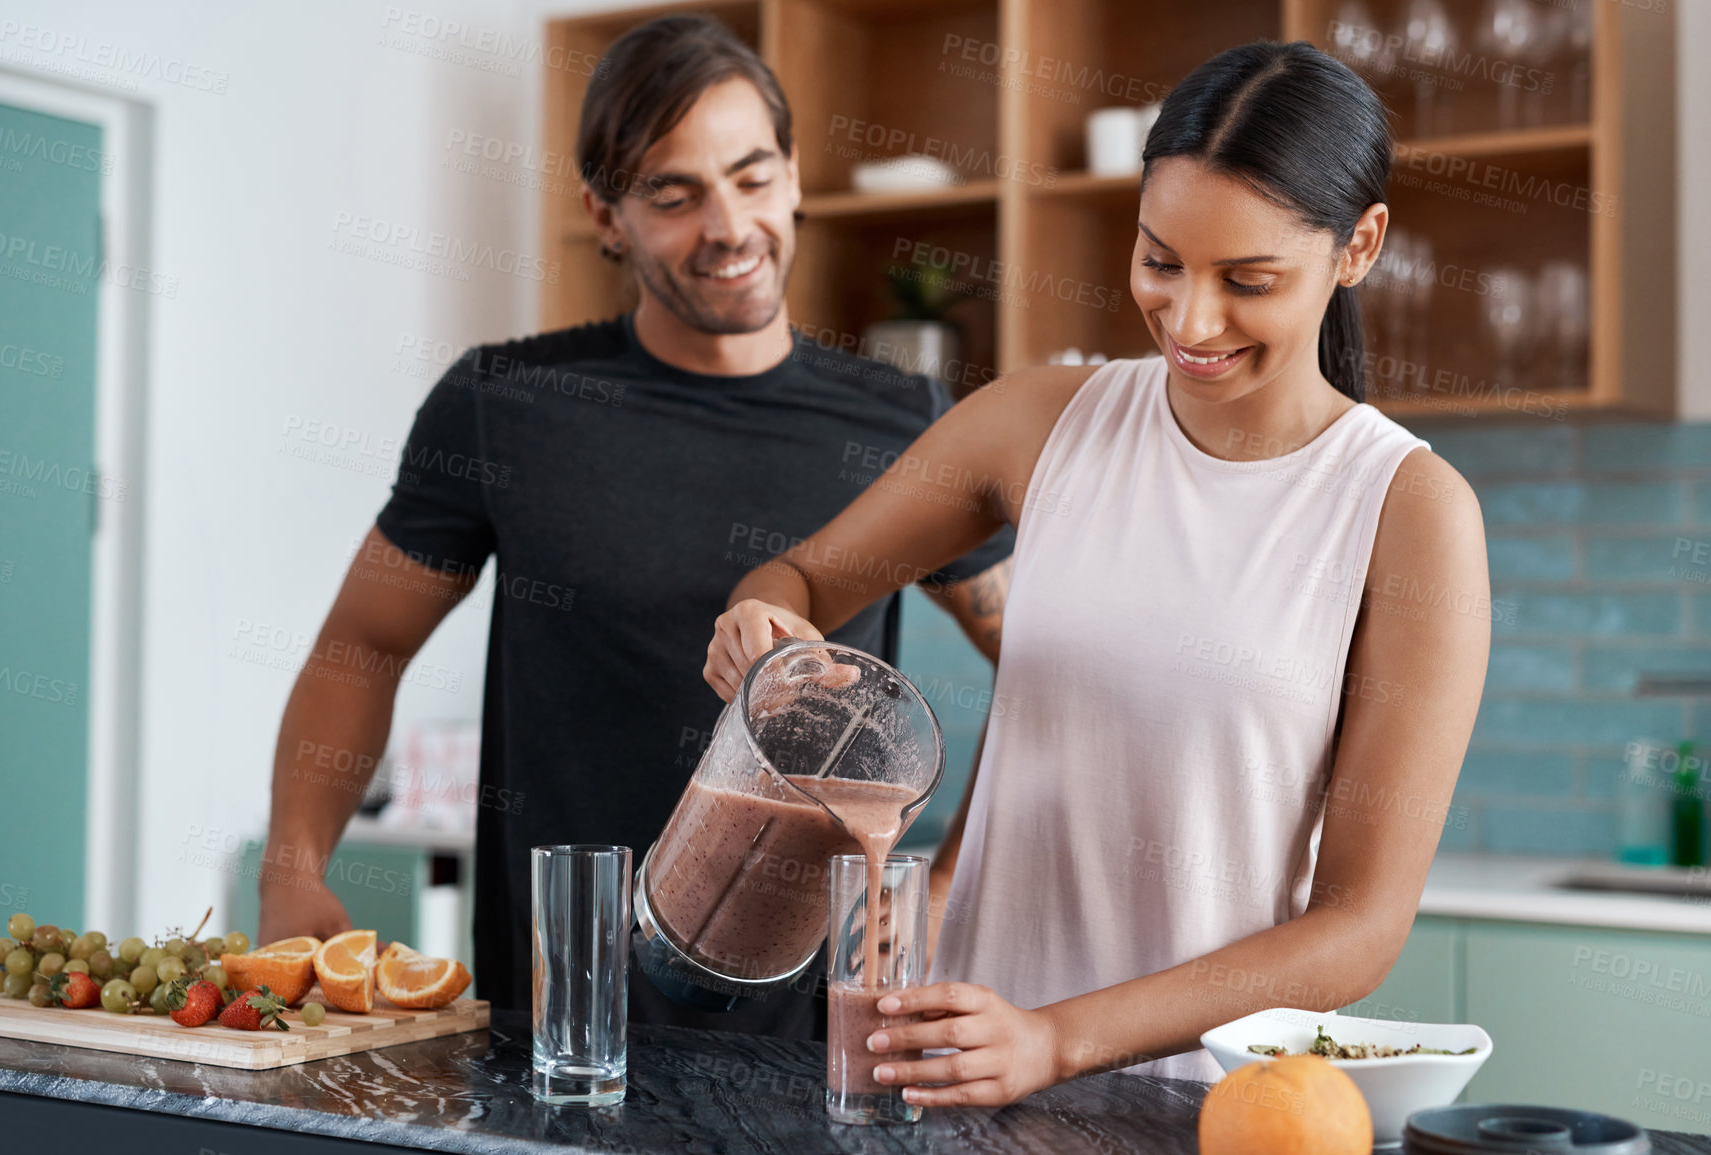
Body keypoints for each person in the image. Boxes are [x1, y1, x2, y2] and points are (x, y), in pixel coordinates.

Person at [705, 40, 1490, 1103]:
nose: (1190, 320)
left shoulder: (1408, 512)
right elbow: (802, 578)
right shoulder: (1040, 424)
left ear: (1360, 247)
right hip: (960, 1072)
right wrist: (763, 618)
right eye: (1160, 261)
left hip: (1215, 1104)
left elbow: (1357, 930)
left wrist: (1056, 1039)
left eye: (1248, 280)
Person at [258, 13, 1011, 1041]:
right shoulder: (504, 404)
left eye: (752, 177)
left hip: (818, 1040)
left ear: (794, 176)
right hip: (562, 1022)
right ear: (604, 215)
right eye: (673, 192)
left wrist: (948, 881)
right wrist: (292, 873)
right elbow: (363, 647)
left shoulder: (907, 423)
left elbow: (1043, 666)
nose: (729, 226)